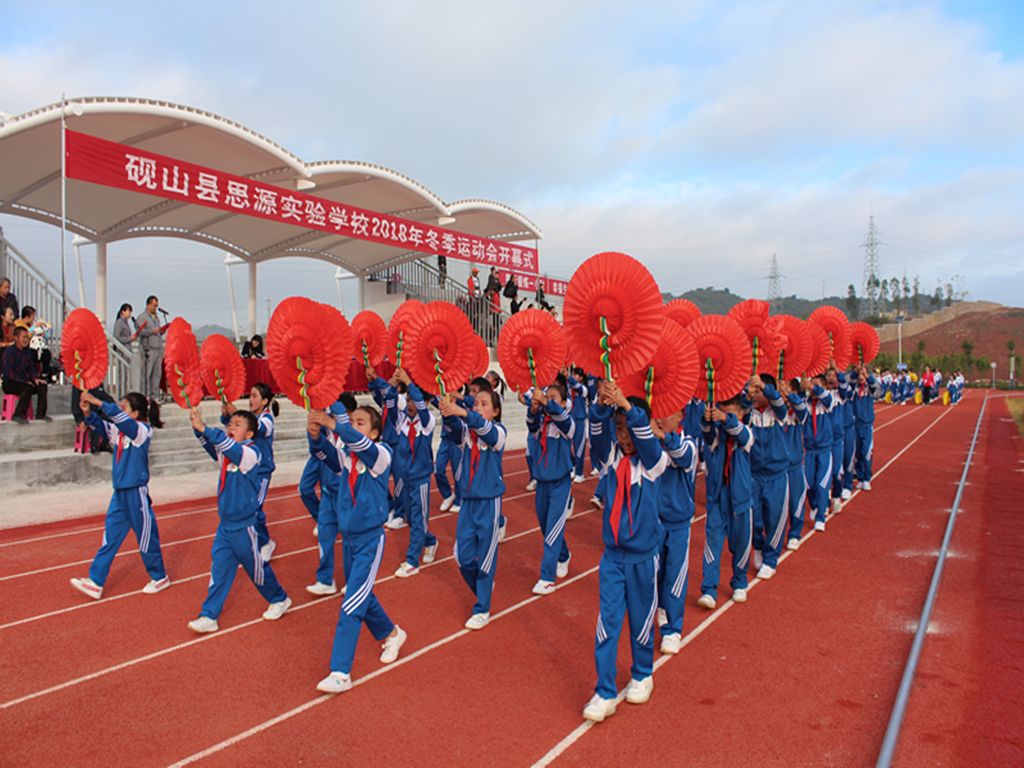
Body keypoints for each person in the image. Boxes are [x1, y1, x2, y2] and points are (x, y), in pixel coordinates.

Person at [583, 381, 667, 723]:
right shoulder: (610, 460)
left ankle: (642, 672)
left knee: (641, 620)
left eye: (630, 429)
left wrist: (631, 411)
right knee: (608, 622)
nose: (625, 436)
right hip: (613, 558)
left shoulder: (654, 462)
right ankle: (604, 690)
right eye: (620, 429)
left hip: (643, 557)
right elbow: (597, 431)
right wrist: (605, 404)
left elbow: (647, 443)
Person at [309, 403, 407, 693]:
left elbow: (359, 443)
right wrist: (315, 435)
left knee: (351, 603)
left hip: (370, 540)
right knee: (361, 594)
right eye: (352, 421)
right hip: (349, 540)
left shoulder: (381, 455)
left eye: (360, 422)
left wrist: (334, 423)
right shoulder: (348, 458)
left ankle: (340, 671)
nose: (354, 426)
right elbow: (324, 454)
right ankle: (392, 632)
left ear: (375, 432)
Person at [187, 407, 291, 633]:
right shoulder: (227, 452)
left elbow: (226, 445)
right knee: (219, 569)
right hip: (225, 525)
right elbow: (211, 444)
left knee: (256, 569)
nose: (231, 427)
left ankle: (279, 598)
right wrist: (197, 427)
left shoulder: (250, 454)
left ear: (250, 434)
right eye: (230, 424)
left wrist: (204, 427)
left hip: (244, 525)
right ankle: (209, 614)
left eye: (237, 425)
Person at [69, 391, 169, 599]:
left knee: (145, 536)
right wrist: (88, 414)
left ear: (135, 414)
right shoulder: (119, 432)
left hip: (136, 492)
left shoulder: (142, 431)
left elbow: (119, 419)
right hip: (120, 492)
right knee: (110, 537)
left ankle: (159, 576)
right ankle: (96, 581)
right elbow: (101, 426)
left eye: (124, 407)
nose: (120, 410)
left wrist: (98, 401)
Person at [438, 385, 507, 630]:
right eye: (475, 403)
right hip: (468, 501)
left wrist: (465, 411)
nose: (478, 407)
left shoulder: (498, 432)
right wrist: (447, 410)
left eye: (484, 404)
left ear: (496, 411)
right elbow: (456, 430)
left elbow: (485, 429)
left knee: (487, 559)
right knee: (463, 557)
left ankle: (483, 607)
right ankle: (483, 586)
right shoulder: (468, 433)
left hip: (489, 502)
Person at [650, 406, 697, 655]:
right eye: (658, 412)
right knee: (654, 573)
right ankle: (660, 609)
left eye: (668, 413)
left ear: (680, 416)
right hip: (653, 520)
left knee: (675, 576)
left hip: (678, 522)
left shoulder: (688, 443)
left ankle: (673, 629)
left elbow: (683, 457)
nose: (660, 417)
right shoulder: (652, 442)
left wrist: (662, 437)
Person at [305, 392, 359, 596]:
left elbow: (342, 421)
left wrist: (327, 393)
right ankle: (325, 579)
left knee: (349, 538)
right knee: (325, 536)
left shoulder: (351, 437)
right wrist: (315, 435)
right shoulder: (331, 435)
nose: (332, 419)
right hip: (328, 492)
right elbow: (318, 451)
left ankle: (354, 580)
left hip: (346, 495)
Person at [525, 381, 575, 595]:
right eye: (548, 396)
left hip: (561, 483)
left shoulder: (567, 424)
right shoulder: (543, 424)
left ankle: (547, 578)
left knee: (553, 529)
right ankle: (563, 555)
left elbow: (563, 420)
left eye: (554, 397)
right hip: (542, 483)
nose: (549, 401)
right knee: (547, 527)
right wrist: (534, 408)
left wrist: (546, 401)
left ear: (564, 402)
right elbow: (531, 424)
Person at [222, 383, 279, 562]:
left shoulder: (267, 418)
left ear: (265, 401)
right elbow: (233, 428)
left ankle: (265, 543)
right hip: (247, 470)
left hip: (261, 471)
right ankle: (250, 542)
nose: (251, 400)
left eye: (255, 396)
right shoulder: (250, 417)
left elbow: (260, 429)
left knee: (255, 509)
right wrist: (227, 416)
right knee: (246, 507)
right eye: (250, 396)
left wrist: (235, 413)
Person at [391, 368, 438, 578]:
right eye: (408, 400)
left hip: (420, 478)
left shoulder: (428, 423)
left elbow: (420, 404)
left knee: (419, 519)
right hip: (405, 476)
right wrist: (394, 384)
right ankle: (429, 540)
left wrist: (410, 383)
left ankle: (412, 561)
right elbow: (390, 403)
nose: (410, 404)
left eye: (414, 400)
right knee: (410, 518)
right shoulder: (402, 421)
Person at [746, 374, 790, 580]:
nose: (755, 393)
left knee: (774, 518)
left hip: (776, 475)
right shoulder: (749, 413)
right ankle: (758, 546)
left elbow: (780, 403)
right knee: (754, 518)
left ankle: (771, 559)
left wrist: (763, 385)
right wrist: (749, 393)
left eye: (758, 390)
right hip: (753, 474)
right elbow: (740, 410)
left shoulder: (778, 413)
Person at [802, 375, 835, 532]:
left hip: (824, 450)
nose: (812, 388)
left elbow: (826, 398)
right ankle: (814, 505)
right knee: (809, 484)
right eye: (811, 384)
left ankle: (821, 517)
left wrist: (813, 386)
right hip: (809, 450)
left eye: (816, 385)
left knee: (822, 485)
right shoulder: (806, 404)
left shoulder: (827, 402)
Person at [1, 327, 49, 423]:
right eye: (24, 337)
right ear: (16, 338)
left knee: (42, 385)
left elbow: (31, 367)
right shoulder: (9, 352)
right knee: (28, 387)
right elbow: (8, 373)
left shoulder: (28, 352)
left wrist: (35, 378)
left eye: (27, 337)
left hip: (24, 381)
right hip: (10, 383)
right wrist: (24, 381)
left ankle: (41, 414)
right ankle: (18, 414)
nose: (26, 340)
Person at [851, 366, 878, 491]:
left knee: (866, 452)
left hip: (867, 426)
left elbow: (877, 391)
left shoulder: (870, 388)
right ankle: (860, 477)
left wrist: (869, 377)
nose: (861, 376)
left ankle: (867, 478)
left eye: (864, 374)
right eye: (860, 374)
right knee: (857, 453)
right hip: (855, 425)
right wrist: (855, 372)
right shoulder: (853, 389)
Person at [136, 296, 167, 402]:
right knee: (147, 374)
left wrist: (161, 331)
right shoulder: (142, 317)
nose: (156, 307)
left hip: (158, 347)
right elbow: (140, 332)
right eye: (154, 305)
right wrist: (152, 331)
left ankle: (155, 395)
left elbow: (157, 331)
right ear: (148, 305)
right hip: (149, 349)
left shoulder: (157, 318)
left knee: (157, 374)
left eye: (157, 305)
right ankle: (146, 395)